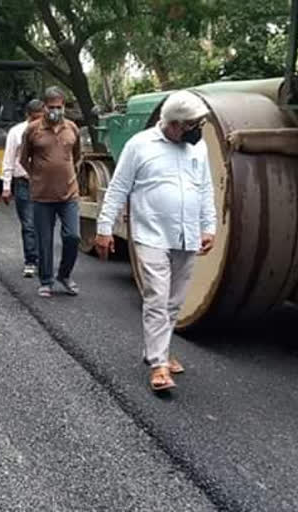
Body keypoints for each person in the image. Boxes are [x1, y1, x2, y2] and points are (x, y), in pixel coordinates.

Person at [95, 91, 216, 392]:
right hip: (151, 234)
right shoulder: (140, 145)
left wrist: (209, 227)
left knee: (174, 302)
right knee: (157, 298)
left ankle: (157, 350)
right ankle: (159, 365)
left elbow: (205, 189)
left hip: (186, 235)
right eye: (192, 125)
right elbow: (118, 187)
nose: (197, 130)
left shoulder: (197, 149)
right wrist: (104, 227)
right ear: (174, 124)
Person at [19, 87, 82, 298]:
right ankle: (46, 281)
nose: (55, 110)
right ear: (44, 107)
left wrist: (68, 175)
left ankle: (64, 275)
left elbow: (77, 156)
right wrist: (37, 176)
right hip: (42, 196)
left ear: (64, 106)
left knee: (73, 236)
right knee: (44, 240)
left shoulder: (72, 128)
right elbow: (23, 159)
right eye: (51, 107)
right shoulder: (33, 130)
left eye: (59, 107)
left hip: (69, 194)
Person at [1, 99, 45, 278]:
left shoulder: (49, 131)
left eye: (41, 118)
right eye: (35, 118)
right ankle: (31, 260)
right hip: (24, 183)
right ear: (28, 116)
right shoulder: (16, 132)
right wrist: (6, 186)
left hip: (45, 184)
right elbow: (9, 158)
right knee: (28, 224)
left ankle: (45, 260)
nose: (37, 122)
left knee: (43, 224)